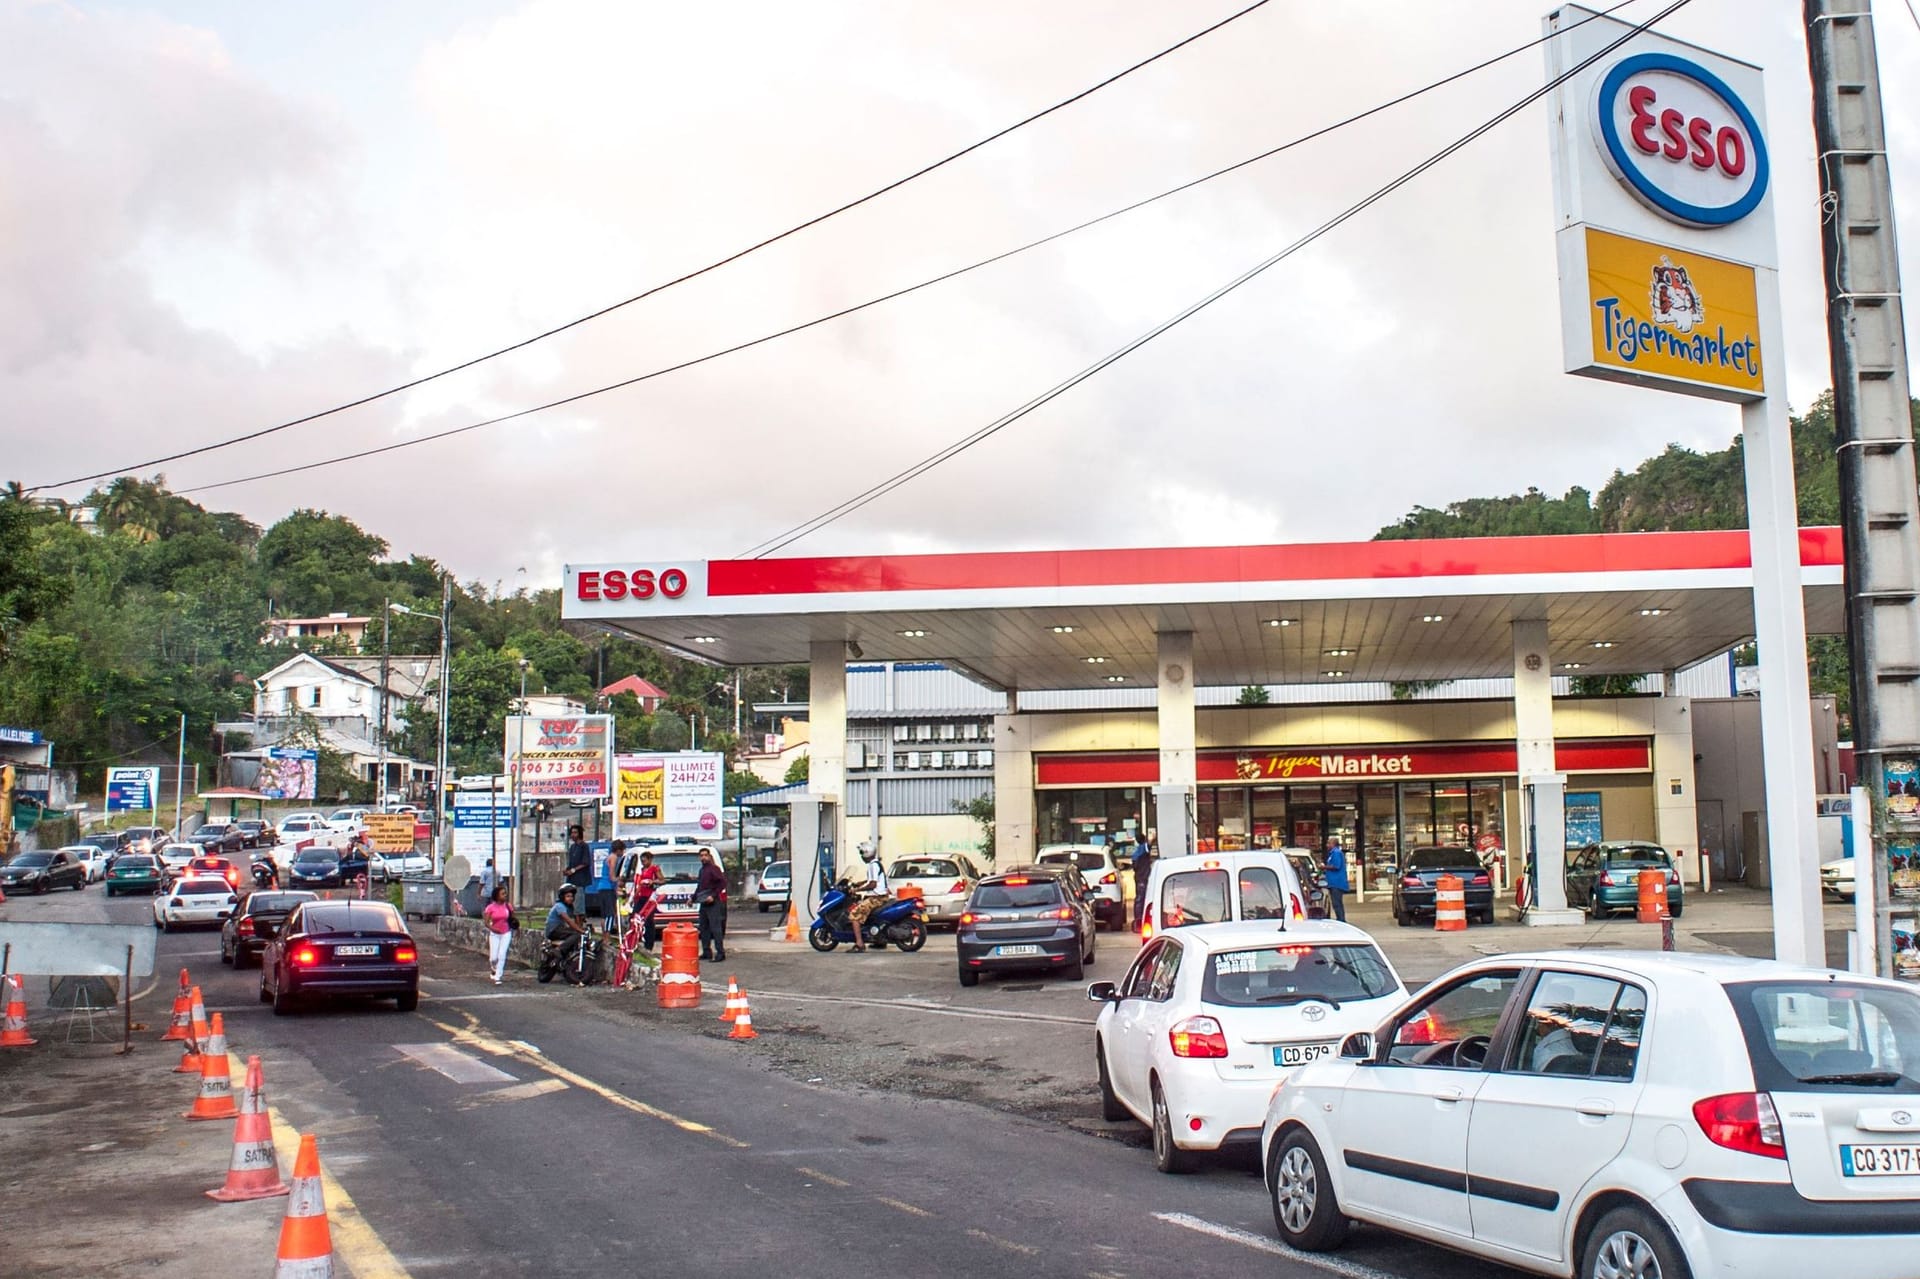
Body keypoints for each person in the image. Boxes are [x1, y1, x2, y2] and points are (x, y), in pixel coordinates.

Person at [844, 846, 889, 952]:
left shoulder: (873, 866)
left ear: (867, 854)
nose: (861, 856)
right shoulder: (876, 864)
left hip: (876, 898)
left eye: (862, 854)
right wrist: (857, 883)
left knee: (854, 915)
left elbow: (872, 885)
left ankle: (859, 944)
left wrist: (857, 890)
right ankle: (878, 940)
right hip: (880, 896)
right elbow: (870, 880)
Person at [694, 848, 728, 963]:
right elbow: (699, 887)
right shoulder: (702, 870)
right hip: (703, 902)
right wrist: (692, 898)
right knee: (704, 928)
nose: (703, 858)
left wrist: (713, 895)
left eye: (705, 855)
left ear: (709, 856)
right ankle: (706, 951)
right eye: (701, 855)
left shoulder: (714, 869)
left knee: (715, 928)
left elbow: (722, 883)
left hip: (713, 902)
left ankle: (720, 953)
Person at [630, 850, 663, 951]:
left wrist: (652, 881)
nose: (643, 863)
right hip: (640, 896)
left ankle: (649, 945)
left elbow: (662, 880)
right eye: (642, 861)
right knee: (635, 918)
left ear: (650, 860)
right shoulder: (641, 870)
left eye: (645, 861)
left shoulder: (654, 868)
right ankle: (635, 942)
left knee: (649, 921)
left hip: (649, 897)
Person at [482, 885, 515, 985]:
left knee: (502, 954)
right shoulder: (490, 908)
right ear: (497, 895)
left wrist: (516, 929)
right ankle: (493, 967)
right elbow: (486, 922)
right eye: (502, 894)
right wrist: (493, 929)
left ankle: (498, 976)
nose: (505, 895)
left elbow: (513, 919)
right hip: (495, 934)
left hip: (506, 932)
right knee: (493, 957)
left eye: (505, 893)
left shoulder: (508, 906)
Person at [1323, 838, 1349, 923]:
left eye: (1329, 843)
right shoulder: (1332, 853)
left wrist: (1324, 867)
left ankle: (1341, 920)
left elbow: (1336, 866)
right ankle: (1340, 919)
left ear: (1333, 844)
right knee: (1336, 903)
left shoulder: (1336, 853)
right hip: (1333, 883)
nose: (1327, 845)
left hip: (1337, 883)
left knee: (1337, 903)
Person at [1130, 837, 1155, 929]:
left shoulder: (1136, 852)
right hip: (1143, 877)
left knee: (1139, 898)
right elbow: (1149, 846)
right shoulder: (1143, 849)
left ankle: (1138, 919)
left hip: (1139, 877)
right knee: (1141, 898)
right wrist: (1153, 838)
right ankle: (1139, 920)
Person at [563, 825, 591, 891]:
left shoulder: (584, 846)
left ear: (579, 834)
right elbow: (571, 863)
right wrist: (567, 870)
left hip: (580, 880)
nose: (573, 835)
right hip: (571, 881)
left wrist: (573, 870)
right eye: (572, 833)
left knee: (579, 899)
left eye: (575, 833)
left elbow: (586, 862)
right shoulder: (572, 847)